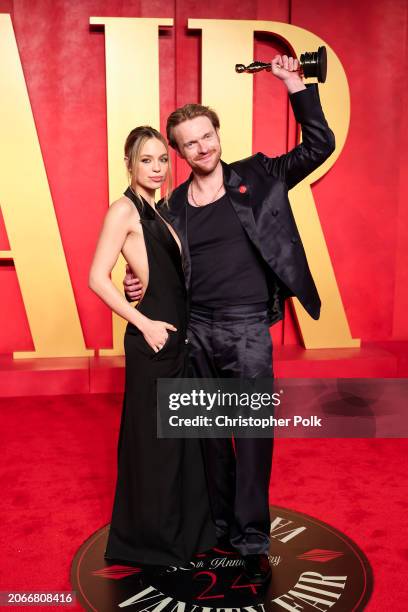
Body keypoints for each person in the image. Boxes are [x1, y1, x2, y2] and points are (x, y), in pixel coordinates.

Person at [124, 54, 336, 583]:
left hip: (245, 329)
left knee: (252, 435)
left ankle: (251, 534)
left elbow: (319, 146)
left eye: (207, 135)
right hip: (195, 331)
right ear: (177, 152)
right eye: (190, 142)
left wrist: (294, 84)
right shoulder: (171, 207)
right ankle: (218, 525)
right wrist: (138, 283)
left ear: (218, 133)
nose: (203, 147)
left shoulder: (260, 175)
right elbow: (157, 270)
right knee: (211, 438)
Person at [89, 126, 216, 567]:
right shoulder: (122, 210)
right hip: (154, 342)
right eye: (147, 160)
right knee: (157, 445)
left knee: (184, 440)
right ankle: (154, 544)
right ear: (129, 162)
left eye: (163, 159)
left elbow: (159, 272)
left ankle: (190, 532)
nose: (157, 168)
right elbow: (95, 277)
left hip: (180, 338)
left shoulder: (161, 211)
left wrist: (137, 286)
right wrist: (143, 323)